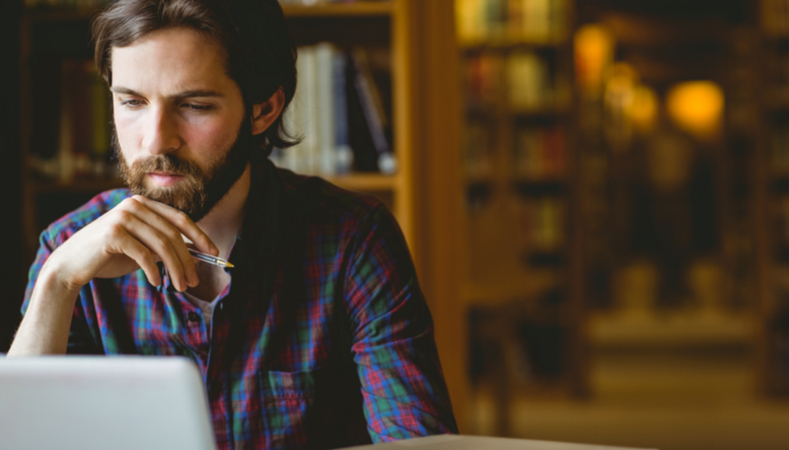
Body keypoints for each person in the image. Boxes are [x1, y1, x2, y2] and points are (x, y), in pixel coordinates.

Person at [8, 0, 458, 448]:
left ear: (264, 109)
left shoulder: (354, 241)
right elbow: (24, 437)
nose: (155, 138)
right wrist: (58, 283)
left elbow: (416, 443)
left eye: (195, 106)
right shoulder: (69, 246)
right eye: (131, 102)